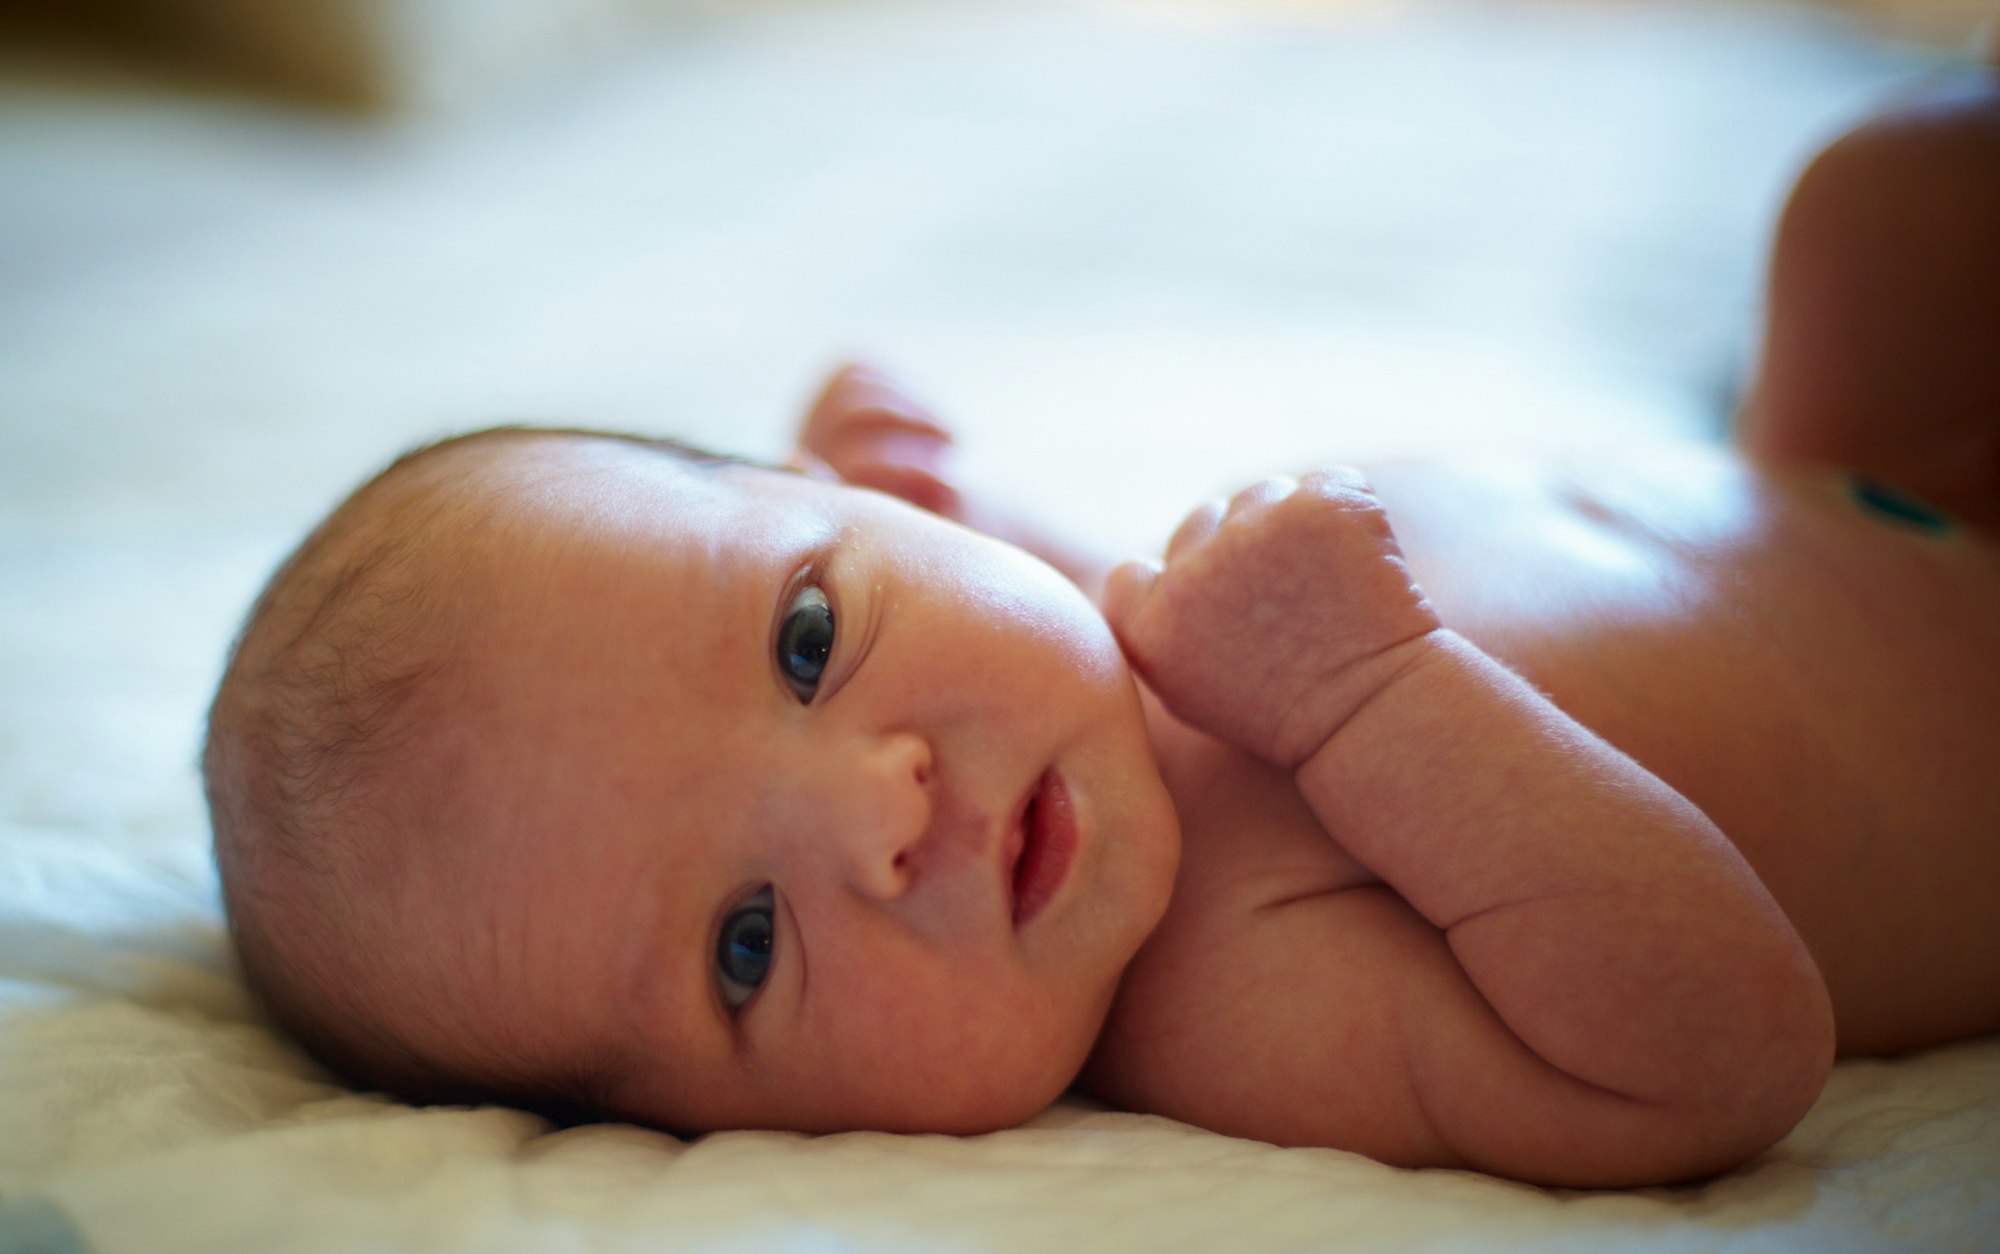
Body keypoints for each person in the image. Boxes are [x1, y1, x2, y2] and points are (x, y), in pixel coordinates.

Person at [203, 72, 2000, 1189]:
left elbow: (1000, 580)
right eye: (746, 947)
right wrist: (1378, 694)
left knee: (1886, 196)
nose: (881, 814)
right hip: (1959, 709)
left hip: (1828, 479)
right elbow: (1726, 1052)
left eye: (806, 643)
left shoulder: (1066, 653)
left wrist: (896, 476)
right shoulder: (1229, 996)